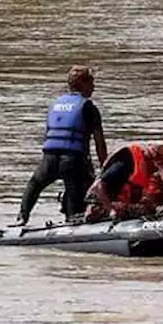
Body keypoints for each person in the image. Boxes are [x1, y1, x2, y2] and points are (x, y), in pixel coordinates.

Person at [17, 65, 107, 225]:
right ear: (83, 84)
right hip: (73, 160)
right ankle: (74, 224)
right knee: (77, 195)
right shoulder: (88, 107)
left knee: (35, 184)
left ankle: (22, 218)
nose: (94, 87)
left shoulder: (55, 104)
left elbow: (48, 133)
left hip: (50, 157)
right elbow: (100, 144)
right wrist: (105, 170)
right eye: (91, 82)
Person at [84, 141, 163, 221]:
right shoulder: (126, 161)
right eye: (155, 165)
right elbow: (98, 186)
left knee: (147, 206)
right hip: (99, 206)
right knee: (143, 209)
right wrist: (111, 210)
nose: (155, 170)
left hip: (117, 202)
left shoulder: (144, 171)